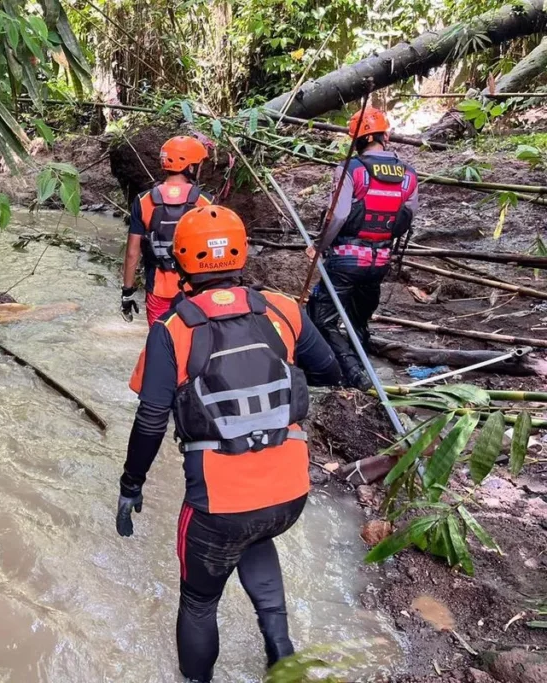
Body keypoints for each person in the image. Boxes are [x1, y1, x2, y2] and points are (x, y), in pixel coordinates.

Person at [115, 205, 342, 682]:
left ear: (179, 261)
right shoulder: (283, 309)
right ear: (242, 253)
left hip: (219, 506)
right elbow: (329, 372)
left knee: (199, 601)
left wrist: (131, 484)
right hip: (289, 494)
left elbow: (152, 417)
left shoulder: (172, 330)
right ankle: (281, 652)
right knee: (255, 535)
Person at [305, 108, 419, 390]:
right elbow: (408, 215)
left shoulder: (351, 169)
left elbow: (340, 215)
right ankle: (362, 361)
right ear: (385, 135)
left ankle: (355, 375)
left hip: (345, 261)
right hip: (380, 262)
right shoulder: (408, 175)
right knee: (358, 318)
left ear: (355, 140)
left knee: (321, 319)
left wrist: (319, 246)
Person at [122, 136, 213, 326]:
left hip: (158, 290)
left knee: (161, 342)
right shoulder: (206, 201)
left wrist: (127, 292)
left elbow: (132, 253)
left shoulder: (143, 200)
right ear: (190, 167)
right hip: (195, 289)